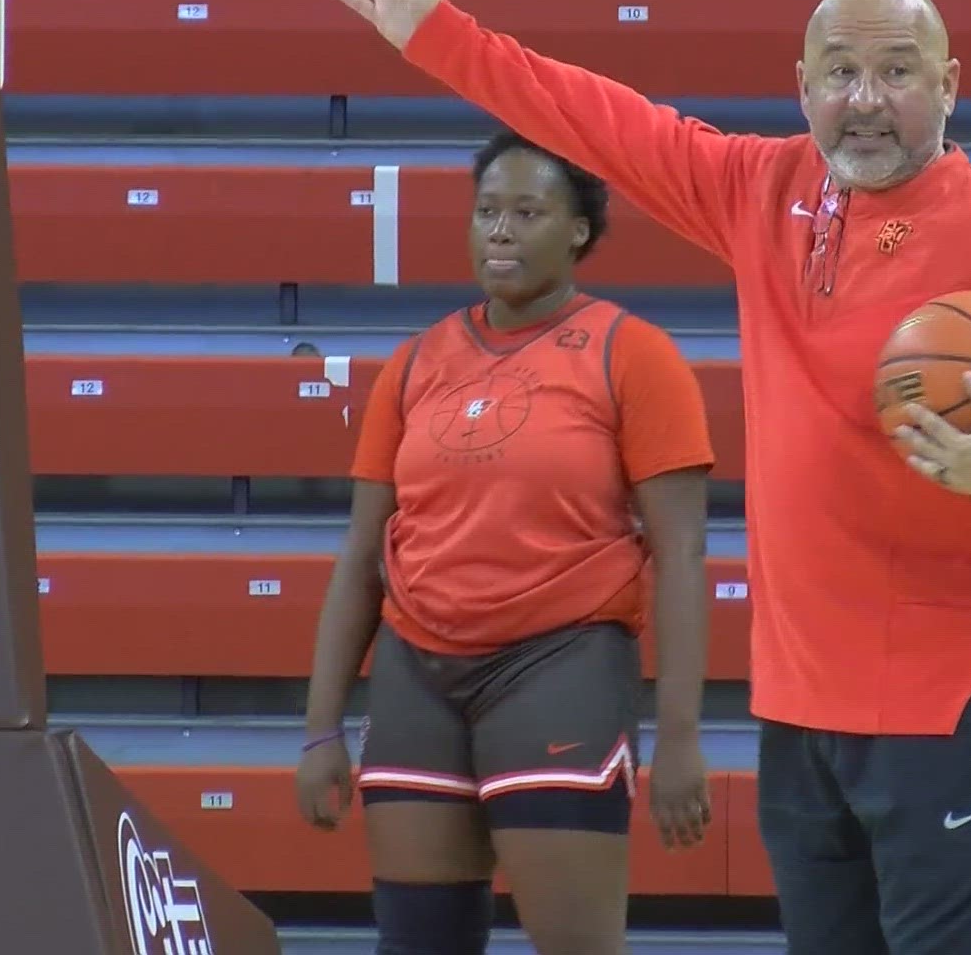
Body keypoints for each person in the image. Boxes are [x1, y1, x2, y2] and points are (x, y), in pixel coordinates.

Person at [330, 0, 971, 955]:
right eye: (841, 72)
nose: (866, 99)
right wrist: (437, 34)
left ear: (950, 85)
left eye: (897, 72)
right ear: (802, 85)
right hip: (804, 699)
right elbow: (600, 124)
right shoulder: (763, 192)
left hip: (956, 697)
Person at [293, 129, 717, 955]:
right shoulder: (416, 364)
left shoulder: (635, 355)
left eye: (528, 212)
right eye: (488, 210)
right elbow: (359, 558)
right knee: (419, 943)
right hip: (417, 667)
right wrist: (319, 730)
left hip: (558, 664)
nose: (501, 230)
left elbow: (684, 556)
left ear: (580, 231)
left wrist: (683, 736)